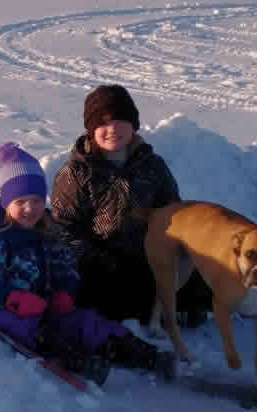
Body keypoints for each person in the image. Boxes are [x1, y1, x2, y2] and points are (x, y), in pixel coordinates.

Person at [0, 142, 176, 385]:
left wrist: (66, 290)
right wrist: (12, 299)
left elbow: (65, 265)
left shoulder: (47, 230)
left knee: (85, 322)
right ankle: (72, 359)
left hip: (45, 304)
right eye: (20, 201)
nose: (30, 208)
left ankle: (140, 354)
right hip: (5, 309)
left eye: (36, 200)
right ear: (6, 201)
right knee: (24, 328)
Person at [50, 84, 212, 328]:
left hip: (147, 253)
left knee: (198, 267)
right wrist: (94, 256)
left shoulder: (151, 165)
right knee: (108, 293)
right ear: (92, 130)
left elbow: (172, 210)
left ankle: (196, 299)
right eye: (103, 124)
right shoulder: (76, 172)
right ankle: (155, 310)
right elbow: (63, 227)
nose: (112, 130)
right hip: (101, 260)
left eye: (120, 121)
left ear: (133, 125)